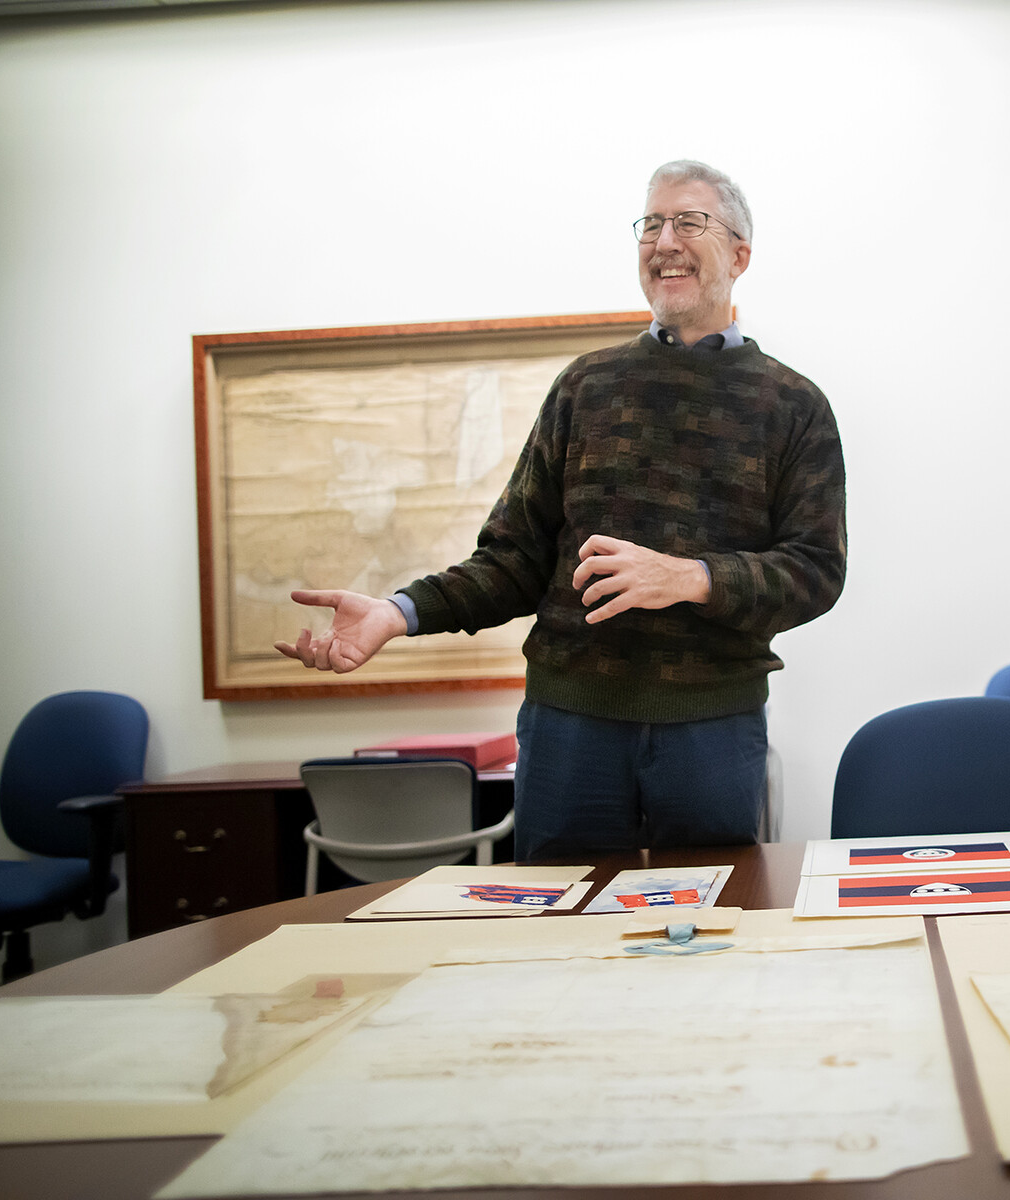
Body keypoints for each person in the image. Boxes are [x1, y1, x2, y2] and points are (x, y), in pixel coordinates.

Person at [275, 160, 846, 858]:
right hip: (569, 727)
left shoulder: (794, 406)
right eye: (651, 224)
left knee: (711, 934)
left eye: (689, 222)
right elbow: (513, 559)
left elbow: (816, 570)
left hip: (712, 728)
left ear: (740, 255)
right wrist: (397, 613)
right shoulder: (585, 386)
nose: (664, 241)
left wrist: (691, 577)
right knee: (549, 931)